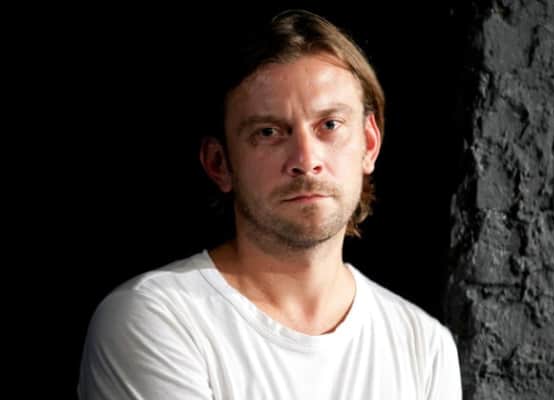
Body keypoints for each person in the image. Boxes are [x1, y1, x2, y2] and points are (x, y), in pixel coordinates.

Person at [78, 9, 461, 399]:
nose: (306, 159)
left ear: (370, 144)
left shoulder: (424, 347)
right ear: (219, 164)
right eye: (269, 132)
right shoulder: (156, 317)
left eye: (329, 125)